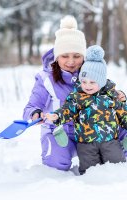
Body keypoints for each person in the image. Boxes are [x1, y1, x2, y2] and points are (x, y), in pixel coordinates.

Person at [23, 15, 127, 171]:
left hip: (95, 131)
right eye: (65, 56)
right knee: (57, 164)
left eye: (77, 56)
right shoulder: (46, 79)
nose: (71, 62)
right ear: (57, 56)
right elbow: (32, 105)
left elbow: (106, 88)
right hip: (61, 132)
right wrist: (35, 113)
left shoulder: (91, 72)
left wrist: (119, 95)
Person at [45, 45, 127, 174]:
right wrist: (57, 116)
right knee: (90, 171)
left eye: (92, 82)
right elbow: (67, 110)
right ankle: (90, 188)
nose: (87, 86)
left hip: (110, 141)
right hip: (86, 144)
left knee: (116, 167)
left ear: (101, 82)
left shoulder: (112, 96)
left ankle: (114, 188)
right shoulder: (77, 97)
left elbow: (123, 112)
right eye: (84, 81)